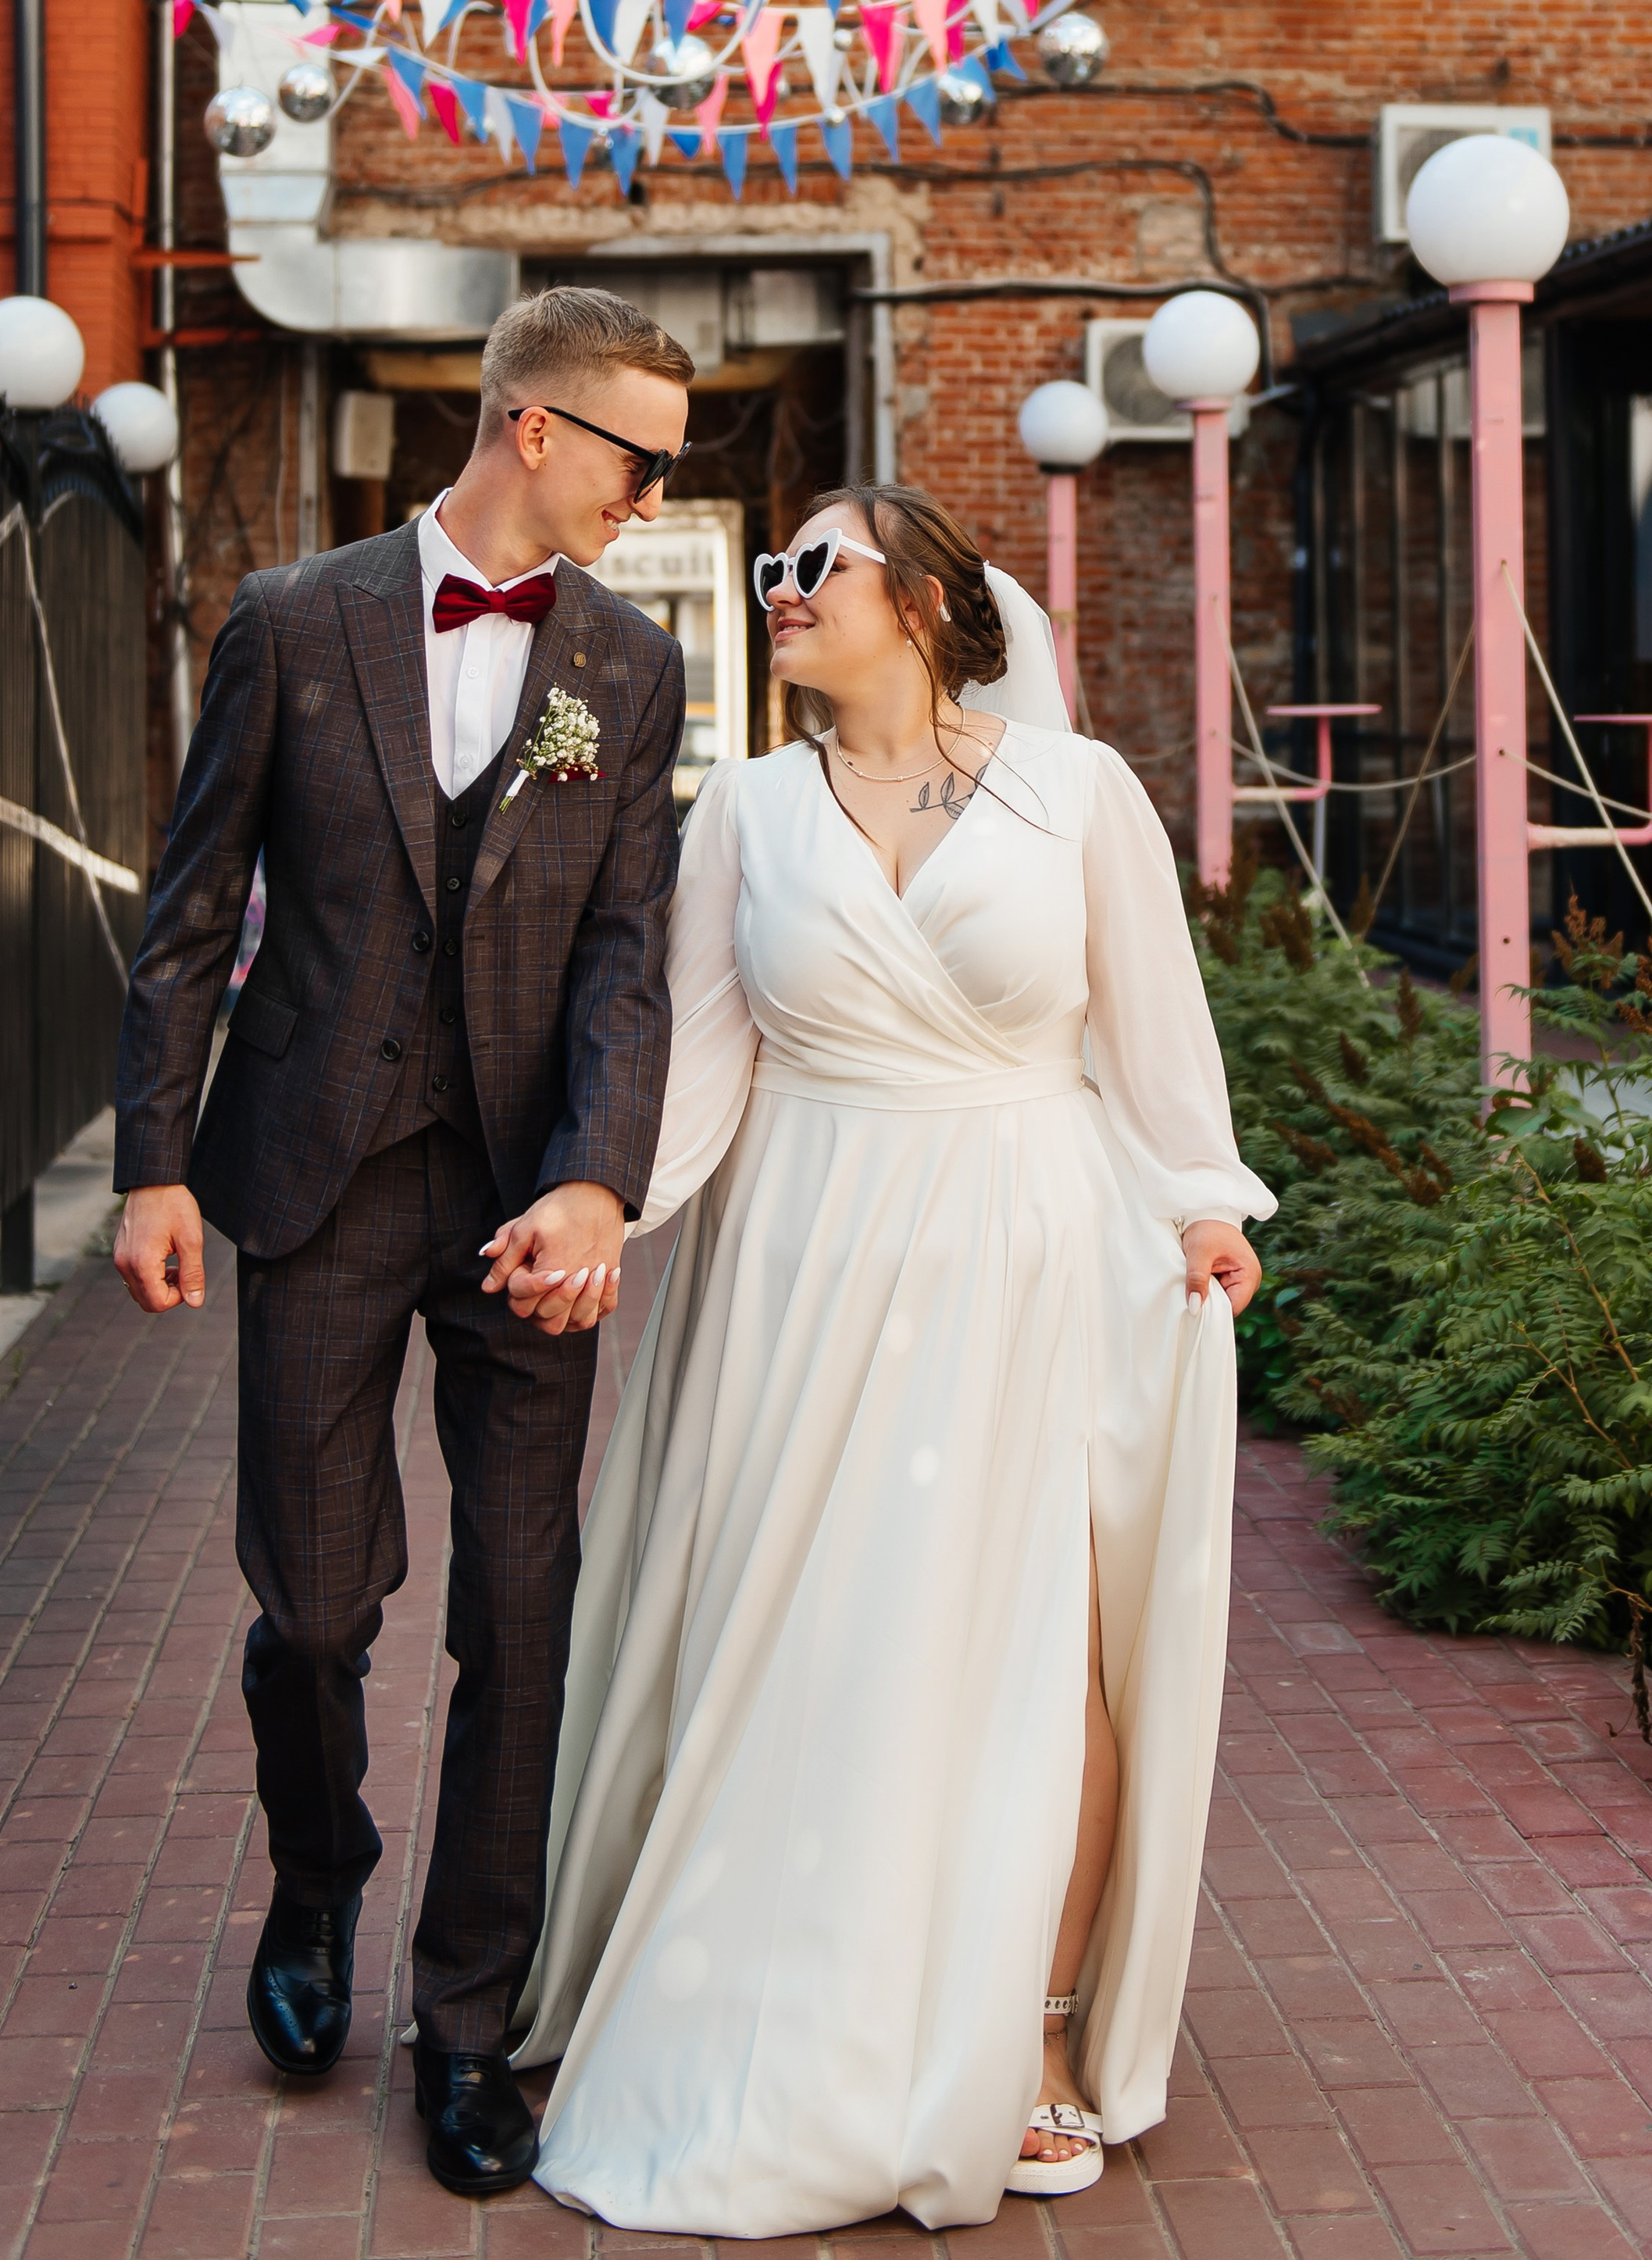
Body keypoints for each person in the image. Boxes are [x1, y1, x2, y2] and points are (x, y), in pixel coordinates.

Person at [492, 484, 1274, 2236]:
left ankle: (1044, 2034)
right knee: (821, 1629)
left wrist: (1202, 1209)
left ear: (919, 601)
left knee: (1038, 1640)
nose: (778, 591)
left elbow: (1154, 1047)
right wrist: (600, 1205)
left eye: (811, 567)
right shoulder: (747, 811)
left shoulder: (1076, 794)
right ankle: (799, 1987)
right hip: (803, 1257)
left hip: (1027, 1247)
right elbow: (701, 1058)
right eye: (770, 570)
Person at [110, 287, 694, 2199]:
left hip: (529, 1196)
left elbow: (625, 950)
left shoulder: (629, 657)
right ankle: (313, 1888)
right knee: (312, 1605)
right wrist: (151, 1163)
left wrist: (602, 1174)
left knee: (519, 1618)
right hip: (315, 1172)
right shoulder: (294, 621)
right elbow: (191, 910)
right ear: (533, 426)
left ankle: (469, 2022)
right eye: (638, 454)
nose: (656, 490)